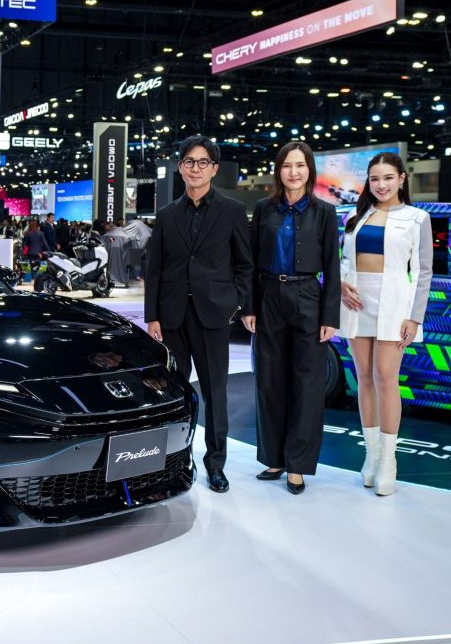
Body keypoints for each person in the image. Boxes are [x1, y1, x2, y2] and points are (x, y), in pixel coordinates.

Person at [144, 135, 253, 493]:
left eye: (203, 162)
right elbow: (155, 268)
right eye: (189, 161)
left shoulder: (232, 211)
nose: (195, 168)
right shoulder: (167, 214)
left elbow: (244, 264)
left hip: (213, 316)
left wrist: (236, 304)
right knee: (175, 393)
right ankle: (177, 459)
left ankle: (215, 464)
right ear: (180, 167)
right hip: (172, 317)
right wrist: (152, 315)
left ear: (214, 169)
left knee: (214, 393)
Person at [241, 142, 341, 495]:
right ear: (278, 170)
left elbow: (332, 266)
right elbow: (249, 262)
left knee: (308, 385)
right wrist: (249, 307)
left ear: (309, 170)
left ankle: (297, 464)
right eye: (287, 165)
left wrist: (330, 314)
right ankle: (274, 458)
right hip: (269, 296)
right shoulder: (263, 209)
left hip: (308, 298)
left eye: (300, 165)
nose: (293, 172)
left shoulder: (324, 212)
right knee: (269, 380)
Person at [337, 152, 432, 496]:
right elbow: (344, 260)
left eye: (388, 177)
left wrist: (415, 316)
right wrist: (340, 284)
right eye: (375, 178)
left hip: (394, 305)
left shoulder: (417, 218)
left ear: (402, 179)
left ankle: (389, 461)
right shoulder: (354, 216)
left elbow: (422, 271)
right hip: (356, 304)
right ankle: (372, 455)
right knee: (363, 379)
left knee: (386, 379)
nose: (381, 185)